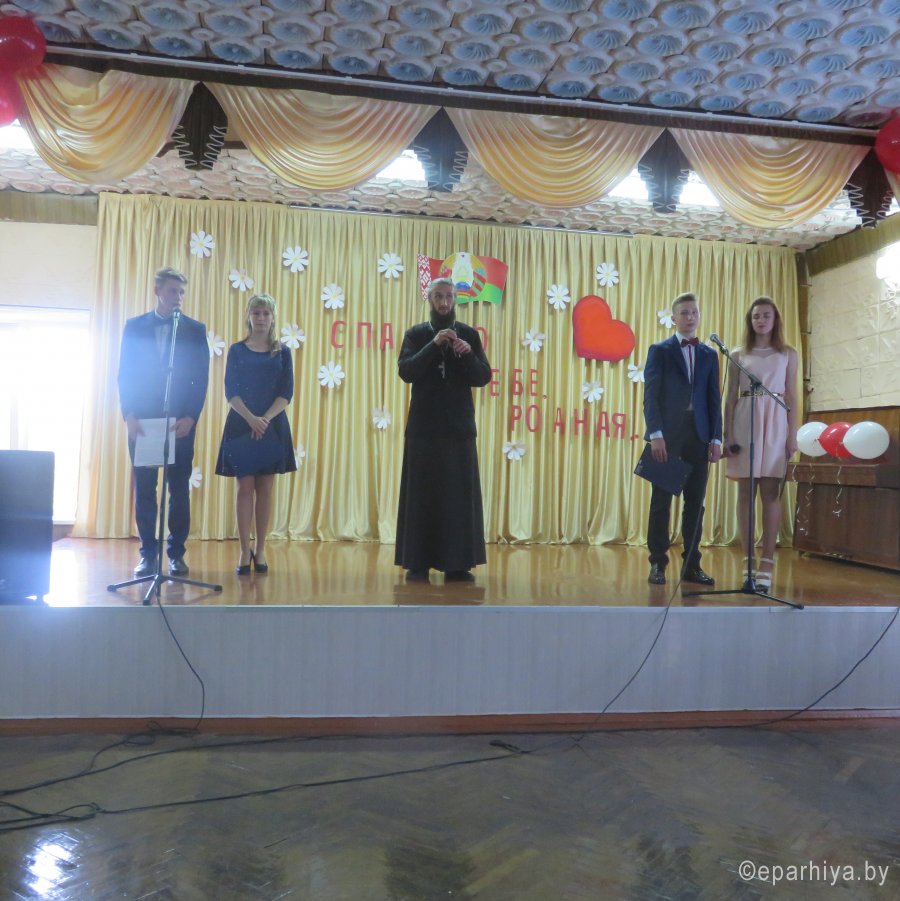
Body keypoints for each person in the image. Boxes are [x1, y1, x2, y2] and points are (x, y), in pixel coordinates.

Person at [395, 277, 492, 582]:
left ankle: (457, 564)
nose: (444, 302)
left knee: (457, 499)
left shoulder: (469, 335)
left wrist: (467, 354)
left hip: (458, 431)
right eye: (438, 296)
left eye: (449, 297)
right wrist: (434, 345)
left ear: (455, 300)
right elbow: (406, 371)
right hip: (423, 430)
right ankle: (418, 562)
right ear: (429, 298)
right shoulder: (416, 334)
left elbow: (483, 377)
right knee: (421, 497)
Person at [117, 267, 209, 577]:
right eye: (172, 291)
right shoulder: (134, 327)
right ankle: (148, 554)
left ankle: (177, 554)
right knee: (145, 489)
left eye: (182, 292)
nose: (178, 297)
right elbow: (125, 373)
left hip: (180, 422)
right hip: (142, 421)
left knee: (178, 489)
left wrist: (191, 416)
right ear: (157, 291)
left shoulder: (195, 330)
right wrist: (129, 414)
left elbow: (201, 378)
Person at [643, 292, 723, 586]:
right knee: (661, 502)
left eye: (694, 312)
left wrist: (716, 438)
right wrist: (656, 434)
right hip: (668, 436)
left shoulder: (709, 355)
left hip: (699, 436)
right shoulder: (660, 350)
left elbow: (713, 399)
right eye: (685, 313)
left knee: (695, 504)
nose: (690, 317)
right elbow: (651, 396)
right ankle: (657, 562)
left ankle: (691, 565)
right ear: (674, 317)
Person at [215, 294, 296, 575]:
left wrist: (265, 420)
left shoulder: (282, 352)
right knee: (244, 488)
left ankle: (260, 549)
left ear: (273, 318)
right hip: (241, 424)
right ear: (249, 316)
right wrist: (251, 419)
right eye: (256, 313)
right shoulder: (237, 350)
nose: (261, 318)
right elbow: (231, 391)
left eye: (266, 313)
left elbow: (286, 393)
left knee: (265, 489)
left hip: (272, 426)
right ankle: (243, 549)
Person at [723, 296, 798, 590]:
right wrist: (728, 434)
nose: (761, 320)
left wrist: (792, 435)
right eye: (756, 316)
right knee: (745, 493)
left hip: (776, 422)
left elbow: (792, 395)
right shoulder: (738, 354)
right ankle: (748, 561)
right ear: (750, 320)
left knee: (770, 493)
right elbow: (730, 396)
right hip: (745, 421)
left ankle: (767, 561)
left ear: (775, 319)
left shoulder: (787, 353)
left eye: (766, 315)